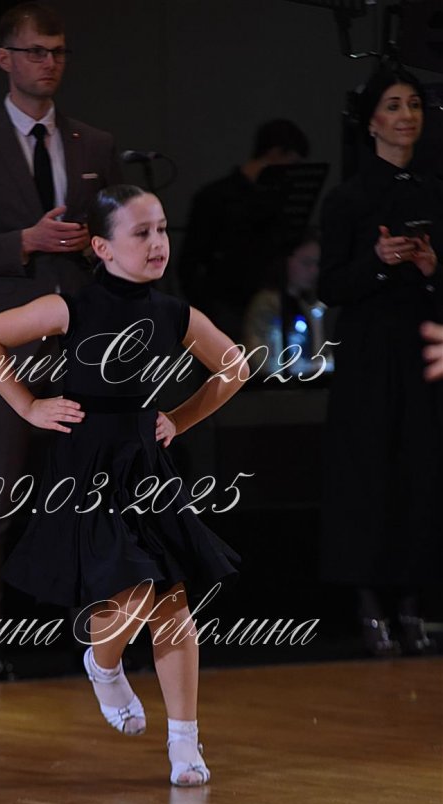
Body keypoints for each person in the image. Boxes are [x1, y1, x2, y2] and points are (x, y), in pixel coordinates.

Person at [0, 185, 249, 785]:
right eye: (141, 233)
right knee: (133, 588)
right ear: (102, 247)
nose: (157, 243)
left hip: (146, 464)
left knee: (172, 601)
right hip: (87, 466)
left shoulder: (173, 313)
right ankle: (103, 664)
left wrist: (181, 419)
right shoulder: (70, 307)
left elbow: (235, 366)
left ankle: (184, 744)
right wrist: (28, 405)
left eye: (162, 229)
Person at [0, 2, 122, 678]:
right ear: (5, 58)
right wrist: (24, 241)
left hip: (80, 335)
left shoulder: (93, 142)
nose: (50, 63)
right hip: (3, 341)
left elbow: (117, 237)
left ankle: (96, 636)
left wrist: (95, 247)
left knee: (88, 488)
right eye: (37, 51)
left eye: (58, 51)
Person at [319, 64, 443, 657]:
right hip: (369, 352)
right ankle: (369, 604)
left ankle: (413, 604)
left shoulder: (436, 192)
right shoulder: (348, 198)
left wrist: (431, 268)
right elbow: (330, 286)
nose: (406, 116)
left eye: (413, 104)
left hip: (424, 347)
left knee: (422, 469)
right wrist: (377, 261)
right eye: (393, 106)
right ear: (370, 121)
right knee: (368, 471)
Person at [178, 119, 310, 338]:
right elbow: (189, 264)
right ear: (275, 154)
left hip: (267, 309)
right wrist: (209, 313)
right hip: (226, 310)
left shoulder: (279, 202)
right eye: (291, 163)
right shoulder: (215, 198)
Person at [243, 227, 329, 378]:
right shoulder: (265, 305)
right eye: (306, 263)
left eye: (317, 264)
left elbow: (318, 354)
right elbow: (261, 362)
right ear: (285, 262)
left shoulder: (309, 306)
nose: (314, 271)